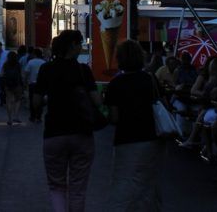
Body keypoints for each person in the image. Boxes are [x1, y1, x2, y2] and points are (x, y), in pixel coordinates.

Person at [34, 30, 100, 212]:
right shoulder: (83, 70)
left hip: (54, 133)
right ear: (72, 45)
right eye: (80, 44)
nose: (81, 47)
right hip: (82, 133)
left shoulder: (46, 69)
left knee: (56, 186)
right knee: (78, 188)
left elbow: (36, 101)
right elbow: (97, 101)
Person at [105, 39, 163, 211]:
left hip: (126, 138)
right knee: (148, 182)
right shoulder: (150, 79)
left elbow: (114, 117)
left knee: (124, 182)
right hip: (152, 136)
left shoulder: (116, 83)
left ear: (120, 58)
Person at [2, 51, 26, 125]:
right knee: (17, 100)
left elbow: (2, 74)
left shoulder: (5, 64)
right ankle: (16, 116)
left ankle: (10, 119)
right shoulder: (18, 64)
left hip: (8, 84)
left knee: (9, 101)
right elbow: (22, 74)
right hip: (17, 84)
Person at [26, 48, 47, 123]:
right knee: (40, 100)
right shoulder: (43, 62)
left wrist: (26, 81)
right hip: (41, 84)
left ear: (34, 54)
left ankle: (32, 116)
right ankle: (39, 116)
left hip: (32, 83)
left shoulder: (30, 62)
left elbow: (27, 72)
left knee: (32, 100)